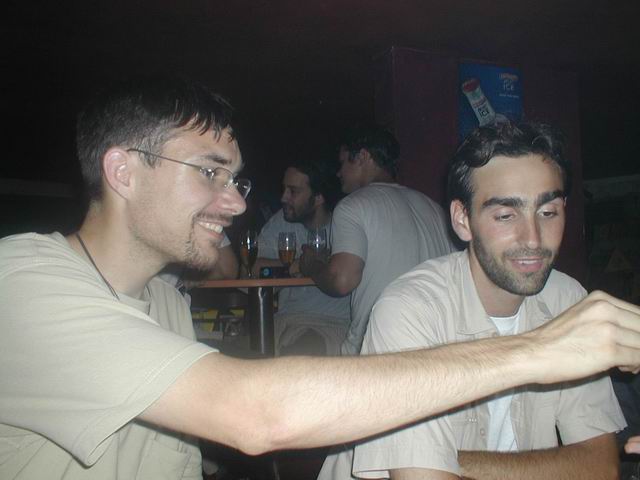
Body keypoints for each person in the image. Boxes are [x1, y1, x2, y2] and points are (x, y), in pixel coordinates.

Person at [1, 76, 640, 480]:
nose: (236, 201)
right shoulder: (20, 285)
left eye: (236, 180)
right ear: (122, 171)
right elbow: (255, 414)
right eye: (211, 172)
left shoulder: (165, 303)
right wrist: (538, 350)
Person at [337, 122, 626, 480]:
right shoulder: (409, 310)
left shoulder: (569, 302)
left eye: (548, 212)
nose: (533, 239)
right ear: (462, 220)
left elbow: (601, 466)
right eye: (505, 215)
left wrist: (451, 460)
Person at [300, 124, 457, 355]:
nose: (339, 172)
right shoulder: (435, 209)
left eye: (343, 163)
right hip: (437, 344)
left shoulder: (352, 206)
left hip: (379, 348)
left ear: (363, 157)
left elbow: (341, 280)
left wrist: (311, 265)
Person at [253, 159, 351, 355]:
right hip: (287, 320)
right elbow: (253, 269)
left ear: (318, 197)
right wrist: (296, 265)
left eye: (293, 191)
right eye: (284, 189)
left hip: (335, 323)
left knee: (306, 346)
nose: (283, 197)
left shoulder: (345, 224)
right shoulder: (282, 221)